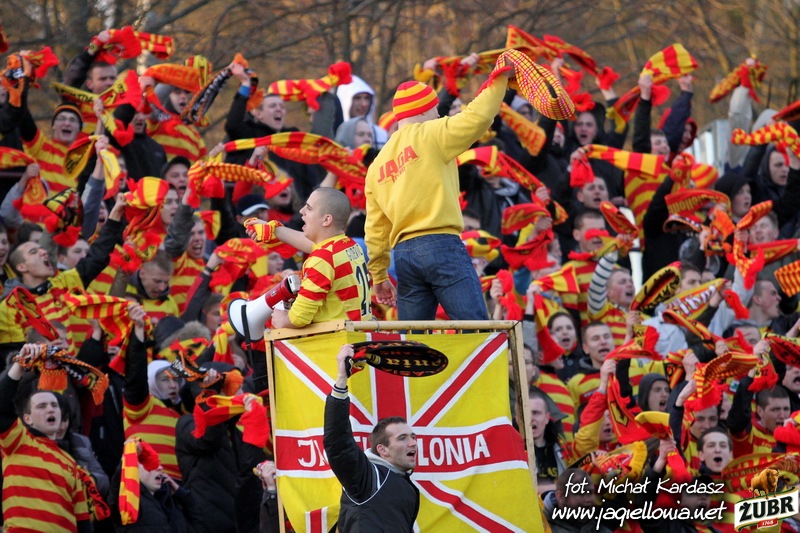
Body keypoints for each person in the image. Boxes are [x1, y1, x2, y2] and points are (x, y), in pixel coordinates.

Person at [364, 60, 514, 320]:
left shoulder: (376, 166)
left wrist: (379, 276)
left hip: (405, 255)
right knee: (477, 330)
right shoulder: (431, 133)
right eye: (436, 109)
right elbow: (478, 117)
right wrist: (500, 78)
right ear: (425, 111)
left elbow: (376, 231)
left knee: (414, 343)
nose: (440, 115)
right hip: (441, 245)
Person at [323, 344, 420, 532]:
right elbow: (338, 444)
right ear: (382, 450)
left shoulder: (402, 482)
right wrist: (341, 380)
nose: (413, 443)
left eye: (413, 437)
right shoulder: (367, 478)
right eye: (402, 438)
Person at [250, 187, 371, 328]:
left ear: (326, 220)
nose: (301, 211)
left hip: (338, 343)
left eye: (309, 208)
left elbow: (299, 318)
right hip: (357, 336)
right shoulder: (348, 245)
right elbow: (312, 245)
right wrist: (272, 230)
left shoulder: (323, 258)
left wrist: (281, 319)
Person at [0, 347, 91, 532]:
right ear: (27, 419)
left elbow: (82, 521)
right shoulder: (18, 441)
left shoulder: (71, 463)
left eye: (54, 405)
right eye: (42, 406)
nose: (50, 409)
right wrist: (20, 365)